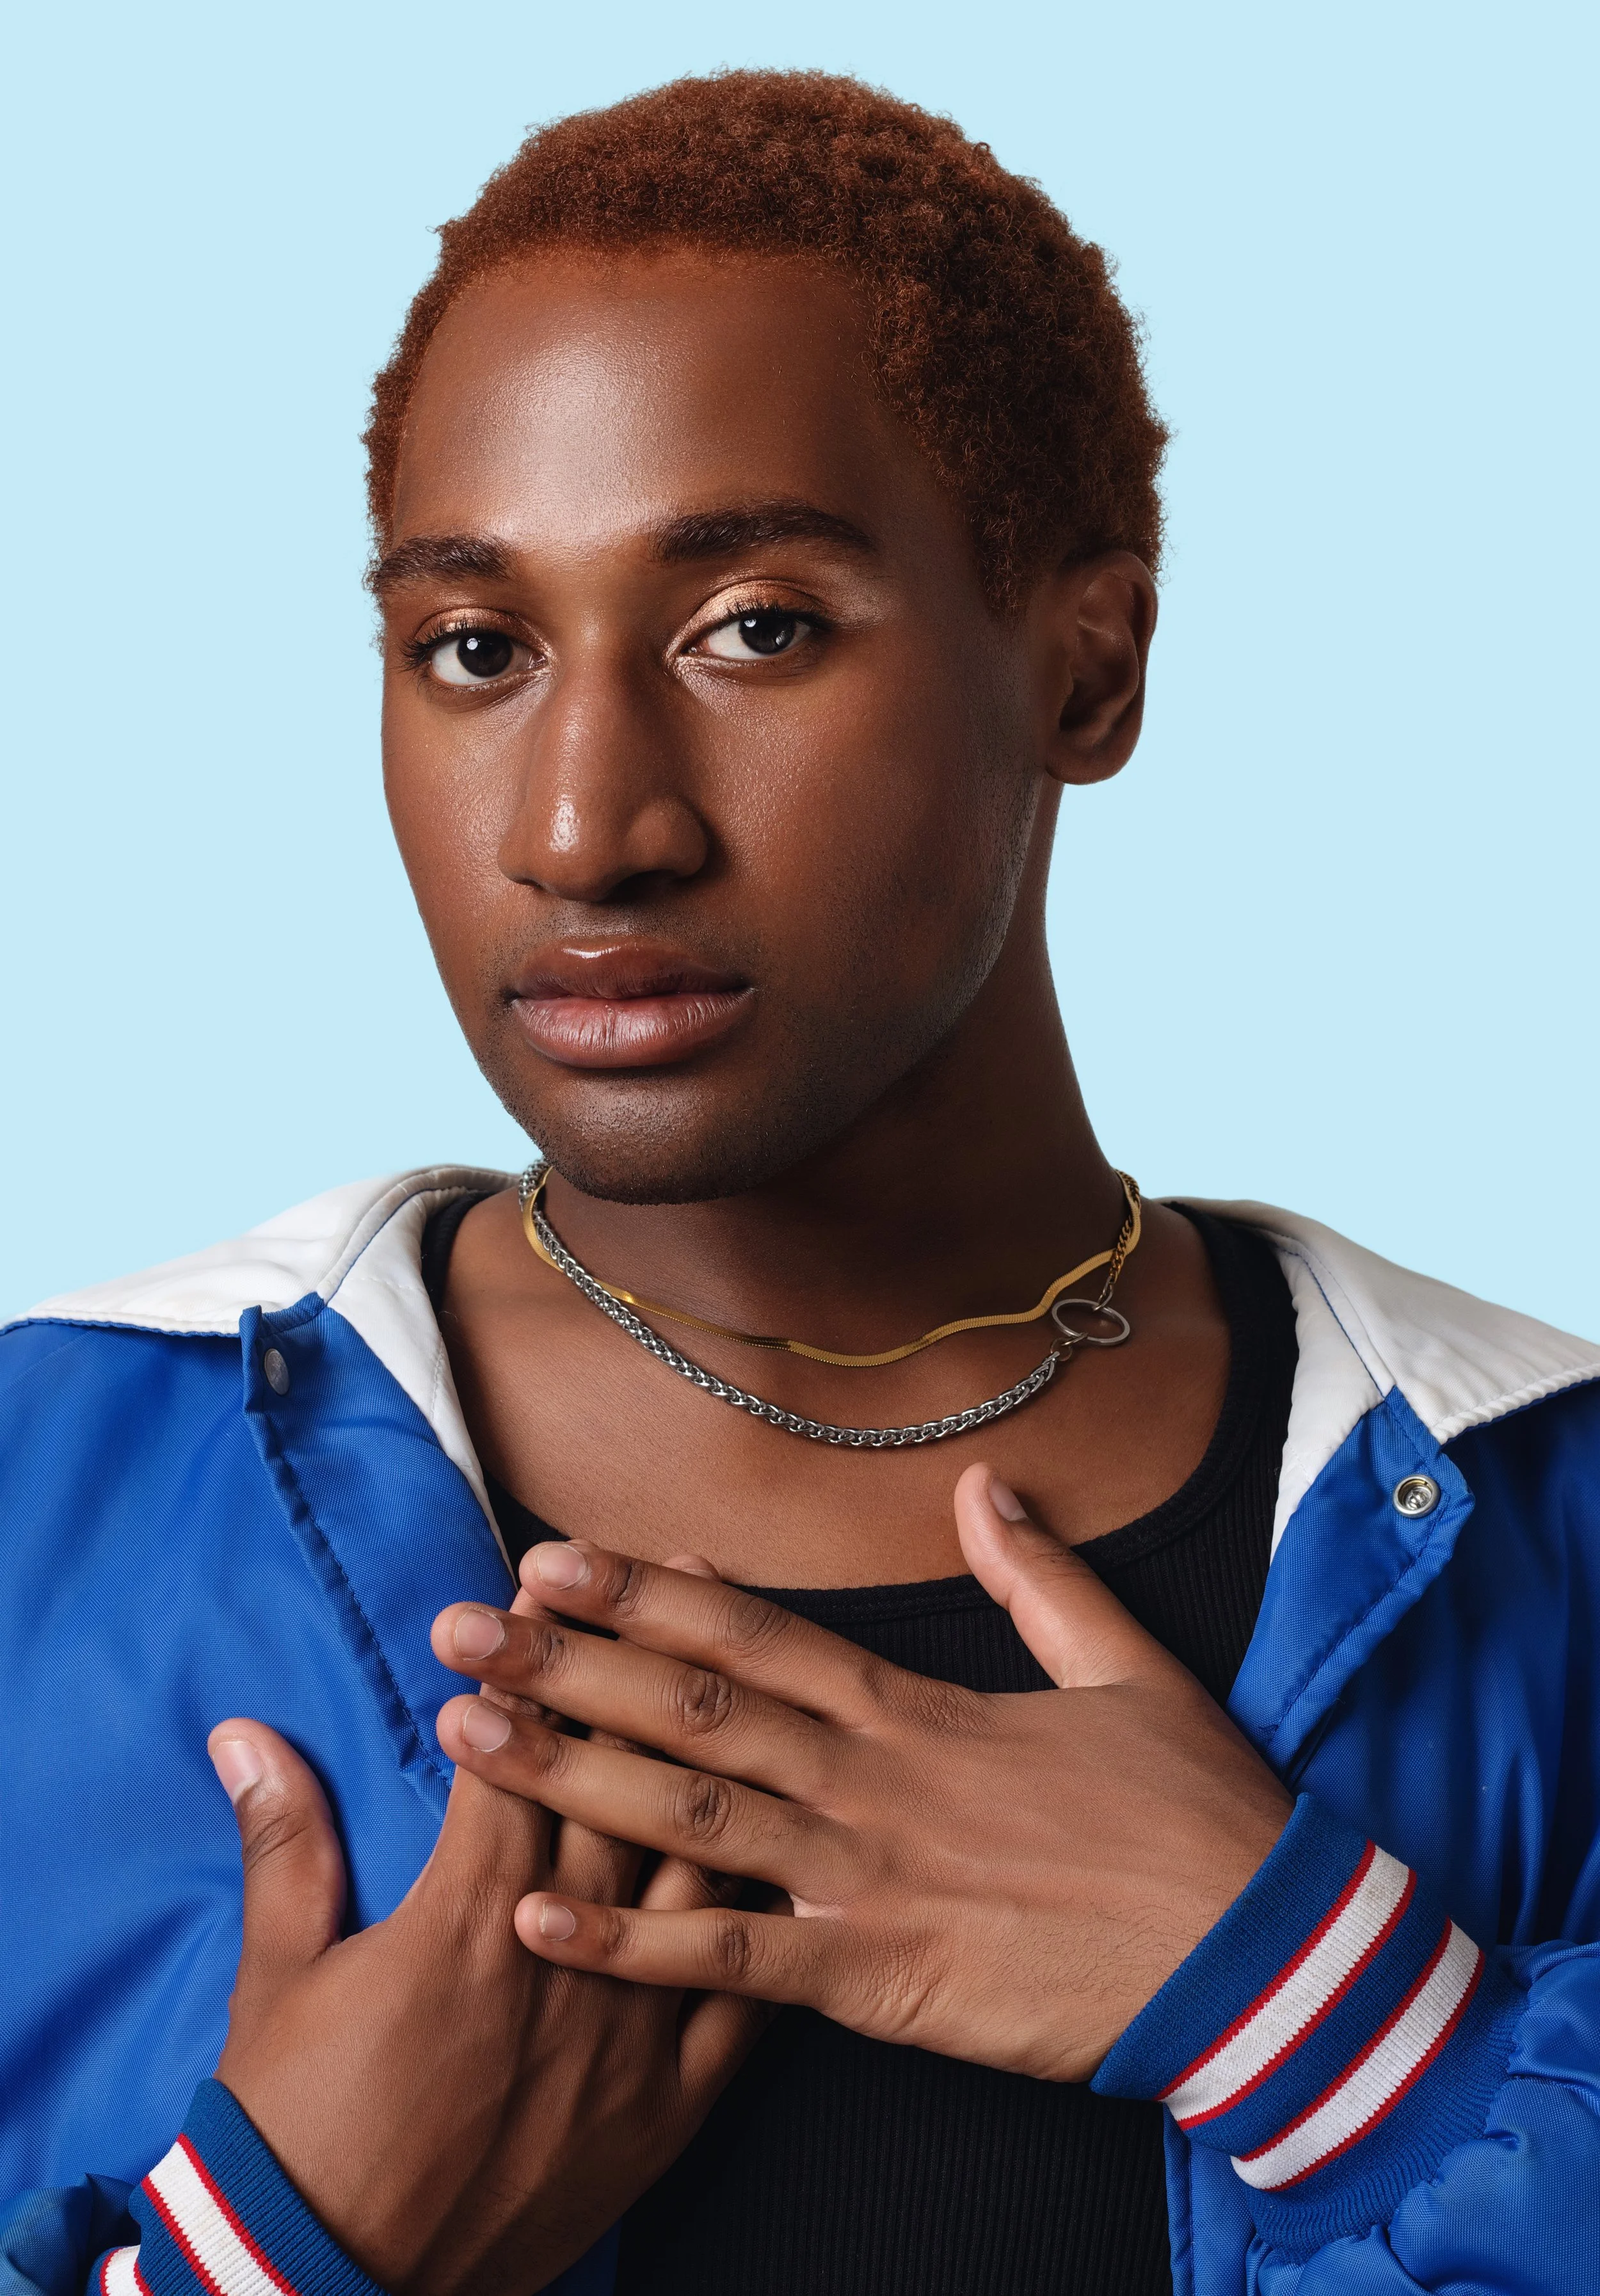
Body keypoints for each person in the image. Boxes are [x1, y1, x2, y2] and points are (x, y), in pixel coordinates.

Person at [3, 66, 1598, 2296]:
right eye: (475, 647)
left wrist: (1335, 2024)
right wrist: (269, 2259)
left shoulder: (1545, 1521)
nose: (581, 827)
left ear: (1086, 663)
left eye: (753, 625)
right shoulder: (42, 1502)